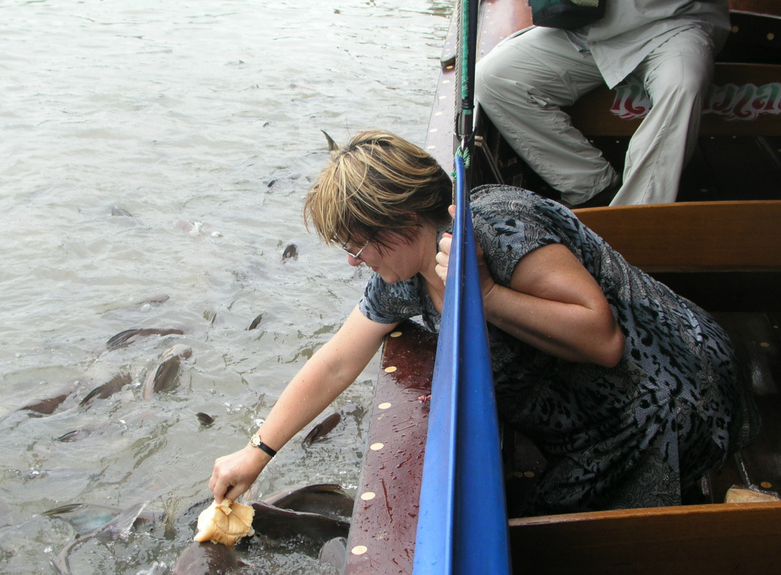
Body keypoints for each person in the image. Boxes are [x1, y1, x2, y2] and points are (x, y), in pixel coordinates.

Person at [208, 130, 759, 516]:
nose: (355, 260)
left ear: (400, 222)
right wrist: (257, 451)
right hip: (591, 419)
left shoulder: (500, 229)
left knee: (546, 555)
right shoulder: (401, 276)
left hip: (671, 396)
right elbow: (335, 362)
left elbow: (603, 339)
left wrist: (487, 296)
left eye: (358, 244)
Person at [474, 0, 730, 207]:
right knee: (493, 76)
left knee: (683, 84)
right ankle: (593, 188)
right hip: (586, 24)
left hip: (673, 24)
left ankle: (634, 215)